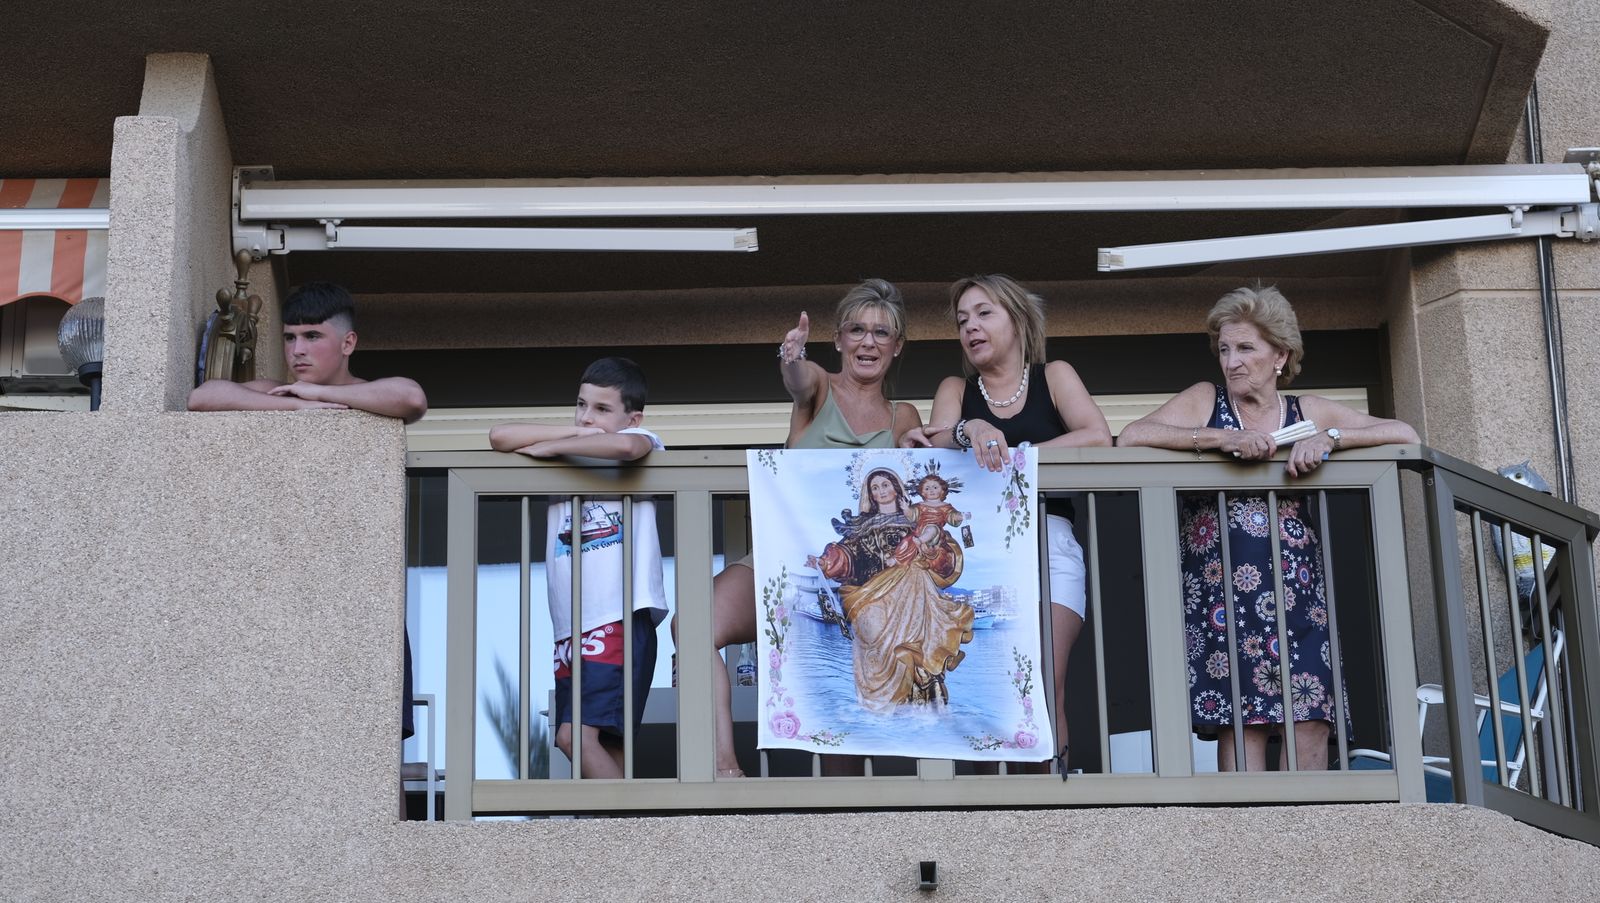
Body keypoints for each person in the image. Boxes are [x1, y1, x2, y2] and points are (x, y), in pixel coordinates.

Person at [1118, 284, 1419, 771]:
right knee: (1244, 722)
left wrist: (1331, 439)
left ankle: (1307, 843)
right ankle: (1248, 844)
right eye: (1224, 349)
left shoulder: (1305, 412)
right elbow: (1132, 439)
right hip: (1222, 596)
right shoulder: (1205, 399)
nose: (1232, 361)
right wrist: (1218, 438)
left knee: (1310, 719)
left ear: (1280, 355)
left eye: (1246, 348)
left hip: (1298, 593)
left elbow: (1404, 433)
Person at [186, 280, 428, 808]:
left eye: (313, 336)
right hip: (286, 598)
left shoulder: (365, 393)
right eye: (291, 337)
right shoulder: (279, 394)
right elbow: (204, 396)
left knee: (379, 752)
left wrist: (321, 395)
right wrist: (293, 409)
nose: (297, 350)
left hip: (365, 603)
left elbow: (411, 397)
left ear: (347, 343)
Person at [687, 278, 923, 777]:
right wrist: (791, 355)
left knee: (839, 712)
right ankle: (725, 768)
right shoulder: (818, 385)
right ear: (837, 339)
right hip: (788, 557)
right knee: (693, 623)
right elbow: (796, 378)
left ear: (897, 347)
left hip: (860, 575)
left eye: (882, 333)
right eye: (856, 330)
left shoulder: (904, 414)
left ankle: (844, 833)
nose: (868, 342)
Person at [902, 274, 1111, 773]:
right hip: (986, 552)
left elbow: (1098, 437)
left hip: (1048, 540)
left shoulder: (1053, 375)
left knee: (1041, 679)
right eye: (962, 320)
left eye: (984, 313)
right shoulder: (956, 389)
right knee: (985, 682)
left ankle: (1046, 808)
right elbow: (941, 447)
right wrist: (970, 426)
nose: (971, 327)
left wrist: (1015, 462)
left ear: (1017, 320)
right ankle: (988, 814)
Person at [487, 357, 668, 779]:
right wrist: (572, 435)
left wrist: (550, 447)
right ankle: (623, 840)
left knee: (573, 736)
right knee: (607, 747)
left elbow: (626, 447)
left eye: (602, 410)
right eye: (581, 405)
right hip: (571, 627)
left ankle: (640, 836)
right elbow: (498, 436)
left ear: (632, 417)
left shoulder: (642, 438)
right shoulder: (575, 445)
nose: (587, 417)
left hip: (618, 617)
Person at [808, 468, 974, 709]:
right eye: (875, 487)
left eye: (885, 485)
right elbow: (847, 556)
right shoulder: (861, 526)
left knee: (914, 644)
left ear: (896, 487)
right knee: (878, 644)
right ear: (869, 493)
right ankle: (886, 709)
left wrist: (928, 551)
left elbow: (944, 553)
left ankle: (925, 692)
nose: (881, 491)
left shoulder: (915, 521)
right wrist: (826, 562)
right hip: (872, 593)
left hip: (911, 591)